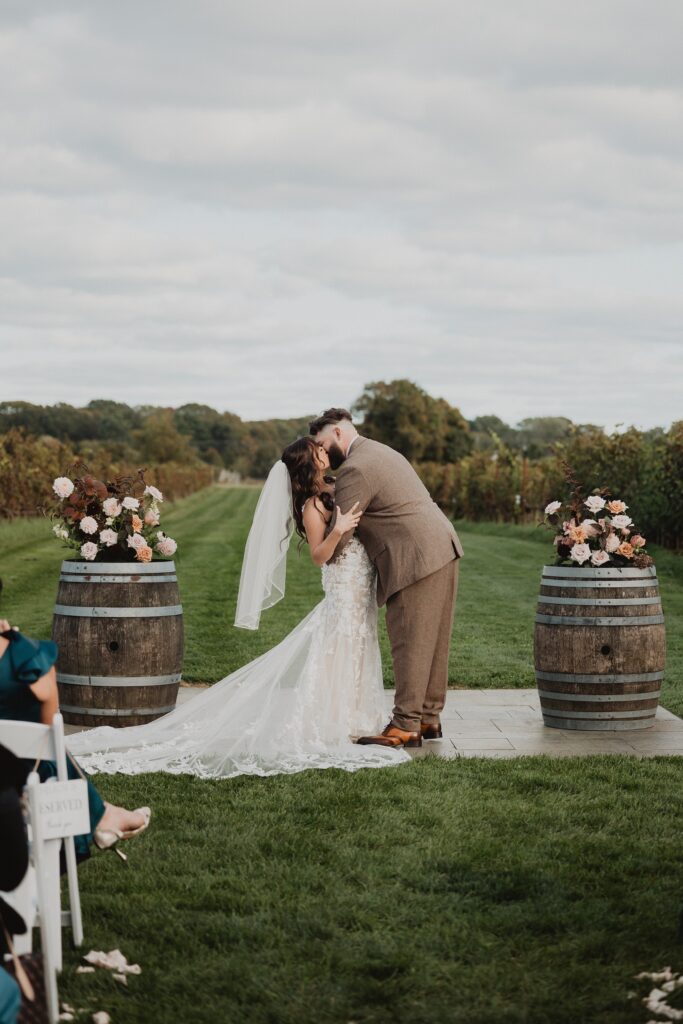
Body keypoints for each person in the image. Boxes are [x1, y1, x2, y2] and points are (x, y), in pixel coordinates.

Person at [67, 438, 410, 777]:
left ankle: (354, 716)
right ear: (308, 462)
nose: (324, 451)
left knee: (359, 645)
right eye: (317, 450)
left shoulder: (339, 485)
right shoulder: (311, 506)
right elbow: (320, 556)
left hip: (361, 581)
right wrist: (340, 530)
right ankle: (334, 721)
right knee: (338, 646)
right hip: (342, 584)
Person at [309, 408, 463, 748]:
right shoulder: (382, 450)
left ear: (337, 433)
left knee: (410, 637)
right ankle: (428, 717)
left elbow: (342, 536)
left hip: (414, 555)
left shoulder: (355, 468)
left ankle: (406, 724)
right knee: (434, 640)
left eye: (321, 444)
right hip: (443, 543)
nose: (322, 454)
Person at [0, 622, 151, 860]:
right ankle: (102, 816)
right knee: (49, 753)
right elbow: (47, 733)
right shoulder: (31, 661)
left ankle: (104, 815)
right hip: (15, 796)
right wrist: (16, 649)